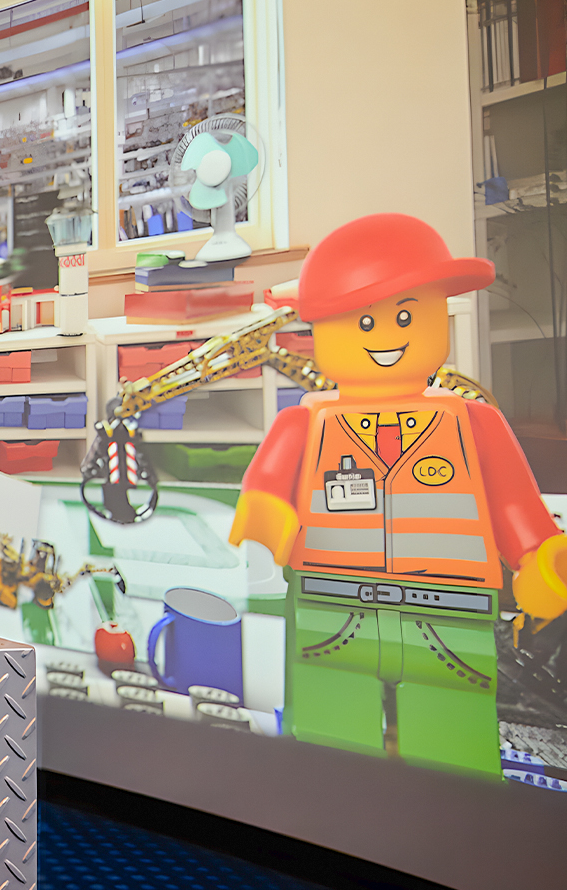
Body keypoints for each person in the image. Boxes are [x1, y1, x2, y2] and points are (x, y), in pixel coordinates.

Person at [230, 212, 567, 776]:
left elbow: (516, 510)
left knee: (451, 751)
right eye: (362, 322)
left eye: (407, 315)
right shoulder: (305, 425)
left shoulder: (474, 424)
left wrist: (540, 558)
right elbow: (264, 494)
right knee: (330, 751)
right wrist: (267, 524)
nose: (387, 336)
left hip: (450, 619)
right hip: (331, 610)